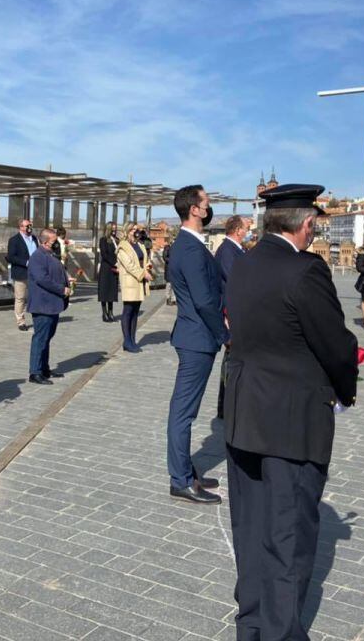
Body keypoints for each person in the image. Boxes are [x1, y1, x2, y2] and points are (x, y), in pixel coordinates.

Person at [224, 183, 358, 640]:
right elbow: (336, 344)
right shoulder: (307, 270)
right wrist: (347, 388)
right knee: (288, 538)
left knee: (251, 531)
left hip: (245, 415)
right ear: (306, 224)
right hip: (291, 421)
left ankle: (253, 625)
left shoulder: (242, 262)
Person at [165, 185, 224, 505]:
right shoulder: (187, 247)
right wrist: (224, 333)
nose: (210, 206)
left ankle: (187, 470)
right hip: (197, 338)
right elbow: (203, 300)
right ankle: (181, 479)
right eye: (206, 202)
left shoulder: (190, 244)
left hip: (196, 336)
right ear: (195, 210)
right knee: (182, 413)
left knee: (185, 411)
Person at [214, 216, 248, 419]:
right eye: (246, 228)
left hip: (236, 309)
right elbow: (235, 279)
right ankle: (225, 406)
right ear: (237, 230)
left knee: (233, 359)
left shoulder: (235, 249)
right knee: (231, 360)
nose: (248, 231)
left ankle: (228, 404)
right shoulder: (227, 250)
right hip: (231, 311)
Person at [27, 228, 70, 385]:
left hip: (53, 304)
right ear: (44, 242)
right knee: (40, 338)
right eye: (53, 242)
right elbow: (42, 279)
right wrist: (61, 289)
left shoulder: (50, 255)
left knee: (47, 338)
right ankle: (35, 372)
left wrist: (67, 279)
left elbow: (56, 272)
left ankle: (44, 368)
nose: (56, 244)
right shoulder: (37, 257)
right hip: (43, 305)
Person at [117, 222, 153, 353]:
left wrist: (148, 266)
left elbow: (145, 259)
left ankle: (132, 339)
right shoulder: (123, 247)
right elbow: (129, 265)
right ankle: (127, 341)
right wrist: (143, 274)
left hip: (140, 282)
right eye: (132, 229)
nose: (135, 231)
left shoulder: (139, 245)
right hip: (131, 281)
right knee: (128, 310)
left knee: (135, 312)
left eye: (136, 229)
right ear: (127, 231)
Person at [6, 218, 37, 332]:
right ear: (21, 227)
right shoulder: (14, 240)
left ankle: (36, 318)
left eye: (30, 225)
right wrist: (26, 262)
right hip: (21, 273)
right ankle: (21, 321)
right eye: (27, 225)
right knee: (20, 298)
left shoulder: (34, 238)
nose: (30, 227)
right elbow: (10, 257)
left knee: (34, 296)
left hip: (34, 273)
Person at [97, 222, 120, 322]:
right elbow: (104, 254)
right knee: (104, 290)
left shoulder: (117, 240)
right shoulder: (103, 240)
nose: (114, 231)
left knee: (112, 290)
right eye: (113, 229)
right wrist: (113, 263)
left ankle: (111, 312)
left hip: (115, 269)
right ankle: (104, 312)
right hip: (106, 268)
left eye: (115, 229)